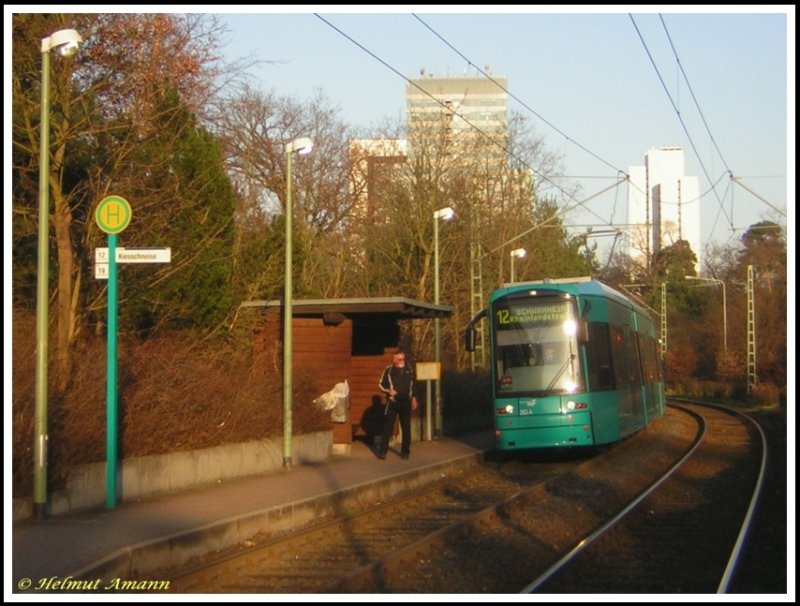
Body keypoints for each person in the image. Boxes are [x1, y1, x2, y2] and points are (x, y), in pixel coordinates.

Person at [376, 351, 418, 459]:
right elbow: (380, 384)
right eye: (399, 359)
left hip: (405, 402)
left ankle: (405, 452)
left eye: (403, 359)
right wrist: (388, 391)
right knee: (387, 427)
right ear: (394, 360)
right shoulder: (389, 370)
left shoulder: (409, 369)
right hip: (393, 402)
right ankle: (382, 451)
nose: (402, 361)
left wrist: (413, 398)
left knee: (406, 428)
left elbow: (412, 385)